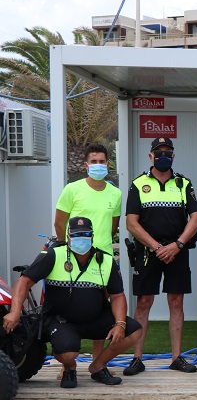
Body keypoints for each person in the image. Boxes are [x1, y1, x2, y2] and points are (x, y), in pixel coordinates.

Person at [2, 217, 142, 388]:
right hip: (61, 321)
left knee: (134, 331)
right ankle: (69, 367)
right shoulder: (53, 255)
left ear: (92, 236)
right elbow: (24, 282)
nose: (81, 239)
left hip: (95, 318)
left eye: (85, 235)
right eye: (76, 235)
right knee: (68, 353)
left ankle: (98, 366)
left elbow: (117, 296)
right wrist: (15, 312)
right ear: (68, 237)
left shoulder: (105, 260)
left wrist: (120, 323)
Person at [124, 137, 197, 375]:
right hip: (148, 252)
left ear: (173, 156)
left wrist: (177, 245)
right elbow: (131, 223)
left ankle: (177, 357)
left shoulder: (183, 183)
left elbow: (196, 218)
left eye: (168, 152)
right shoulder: (138, 184)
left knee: (176, 302)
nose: (163, 156)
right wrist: (157, 247)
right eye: (159, 152)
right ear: (151, 156)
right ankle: (137, 358)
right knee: (144, 303)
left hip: (177, 251)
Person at [54, 142, 123, 362]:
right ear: (86, 165)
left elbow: (113, 227)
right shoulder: (72, 189)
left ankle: (97, 363)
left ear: (108, 164)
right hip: (74, 257)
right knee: (70, 307)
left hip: (103, 259)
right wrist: (68, 249)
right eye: (94, 161)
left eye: (102, 161)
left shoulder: (116, 193)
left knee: (102, 309)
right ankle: (67, 364)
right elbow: (59, 223)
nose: (98, 165)